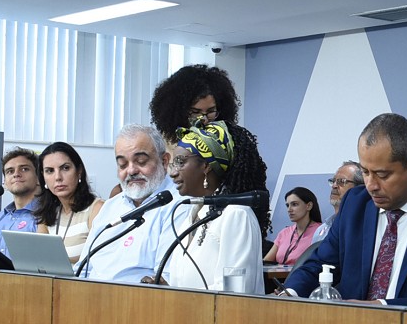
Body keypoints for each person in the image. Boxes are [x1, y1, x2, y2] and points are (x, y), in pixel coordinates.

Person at [281, 113, 407, 309]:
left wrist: (380, 308)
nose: (371, 185)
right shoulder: (355, 204)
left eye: (382, 175)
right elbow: (321, 264)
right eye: (365, 172)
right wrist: (288, 294)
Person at [146, 120, 266, 294]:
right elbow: (188, 281)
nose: (172, 173)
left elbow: (235, 293)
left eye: (180, 162)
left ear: (206, 165)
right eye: (173, 164)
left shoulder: (237, 215)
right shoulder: (192, 215)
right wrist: (164, 287)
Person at [77, 124, 178, 283]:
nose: (131, 170)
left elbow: (165, 279)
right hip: (90, 298)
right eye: (122, 164)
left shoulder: (178, 205)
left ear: (164, 161)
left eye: (141, 161)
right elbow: (83, 269)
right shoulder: (111, 206)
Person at [35, 142, 106, 264]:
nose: (58, 177)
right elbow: (40, 260)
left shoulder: (97, 209)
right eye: (50, 171)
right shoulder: (47, 215)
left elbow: (99, 259)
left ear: (79, 171)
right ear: (43, 177)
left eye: (65, 168)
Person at [148, 63, 241, 145]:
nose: (204, 119)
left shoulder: (229, 144)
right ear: (179, 113)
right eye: (196, 112)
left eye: (211, 111)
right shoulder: (163, 145)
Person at [0, 147, 42, 258]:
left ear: (39, 178)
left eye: (24, 169)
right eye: (10, 171)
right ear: (5, 182)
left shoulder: (48, 217)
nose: (16, 174)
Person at [266, 187, 323, 267]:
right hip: (277, 278)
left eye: (294, 204)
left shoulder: (321, 231)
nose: (289, 209)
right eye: (287, 205)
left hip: (304, 278)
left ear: (309, 206)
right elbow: (265, 262)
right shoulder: (284, 232)